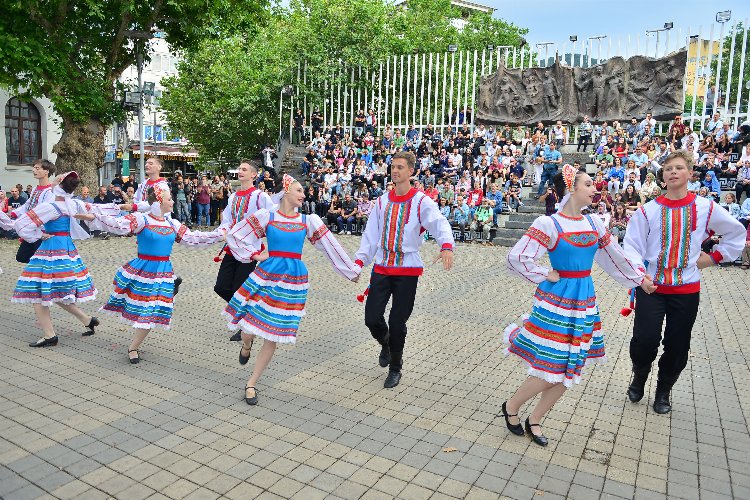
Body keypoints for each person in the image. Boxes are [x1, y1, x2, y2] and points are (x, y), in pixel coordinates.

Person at [501, 164, 652, 447]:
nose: (595, 187)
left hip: (584, 299)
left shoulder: (594, 223)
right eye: (588, 184)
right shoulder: (548, 224)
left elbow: (614, 257)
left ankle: (535, 419)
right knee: (554, 363)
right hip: (557, 301)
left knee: (572, 364)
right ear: (572, 189)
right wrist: (543, 273)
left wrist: (639, 279)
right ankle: (511, 406)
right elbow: (516, 257)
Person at [623, 150, 746, 414]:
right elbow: (632, 245)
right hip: (651, 286)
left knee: (678, 344)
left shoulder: (705, 207)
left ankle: (664, 389)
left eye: (679, 168)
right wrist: (638, 274)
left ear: (690, 174)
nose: (673, 172)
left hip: (686, 289)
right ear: (663, 176)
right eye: (668, 169)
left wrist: (713, 258)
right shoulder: (648, 211)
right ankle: (639, 376)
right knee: (644, 340)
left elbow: (735, 231)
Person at [223, 174, 360, 405]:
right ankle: (246, 344)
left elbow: (329, 246)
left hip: (292, 281)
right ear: (286, 191)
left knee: (272, 334)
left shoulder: (308, 220)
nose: (303, 194)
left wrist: (350, 271)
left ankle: (252, 383)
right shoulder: (268, 216)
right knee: (248, 328)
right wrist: (255, 254)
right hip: (265, 275)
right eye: (299, 190)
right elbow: (236, 235)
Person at [79, 187, 225, 363]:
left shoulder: (172, 224)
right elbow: (117, 224)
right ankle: (133, 346)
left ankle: (133, 346)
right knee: (142, 307)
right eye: (169, 198)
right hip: (143, 270)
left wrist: (218, 235)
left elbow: (194, 238)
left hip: (163, 272)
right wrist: (94, 216)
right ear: (158, 201)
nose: (172, 202)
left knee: (152, 310)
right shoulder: (142, 219)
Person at [354, 151, 455, 389]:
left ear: (411, 171)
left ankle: (396, 367)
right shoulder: (381, 201)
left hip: (407, 270)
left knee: (398, 321)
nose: (395, 171)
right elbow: (370, 236)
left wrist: (447, 246)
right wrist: (359, 261)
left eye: (400, 167)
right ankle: (386, 343)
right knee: (371, 318)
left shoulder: (421, 201)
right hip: (382, 266)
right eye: (393, 167)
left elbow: (439, 223)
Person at [11, 171, 100, 347]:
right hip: (67, 247)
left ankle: (49, 335)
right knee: (55, 290)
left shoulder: (51, 206)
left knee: (37, 290)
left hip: (51, 249)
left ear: (58, 185)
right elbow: (93, 215)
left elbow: (22, 225)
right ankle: (87, 319)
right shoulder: (73, 204)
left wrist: (39, 234)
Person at [215, 160, 277, 342]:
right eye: (239, 169)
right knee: (221, 287)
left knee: (238, 289)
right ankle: (248, 314)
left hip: (250, 251)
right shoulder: (233, 196)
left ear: (254, 175)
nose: (240, 171)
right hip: (232, 248)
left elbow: (272, 218)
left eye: (244, 169)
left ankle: (244, 325)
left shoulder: (260, 196)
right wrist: (224, 230)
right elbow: (227, 218)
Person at [11, 159, 55, 263]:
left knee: (40, 259)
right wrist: (14, 213)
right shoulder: (35, 189)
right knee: (22, 256)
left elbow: (45, 212)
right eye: (34, 167)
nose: (34, 170)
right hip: (31, 229)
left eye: (37, 168)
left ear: (46, 171)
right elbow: (27, 205)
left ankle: (40, 275)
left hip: (41, 230)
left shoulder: (50, 192)